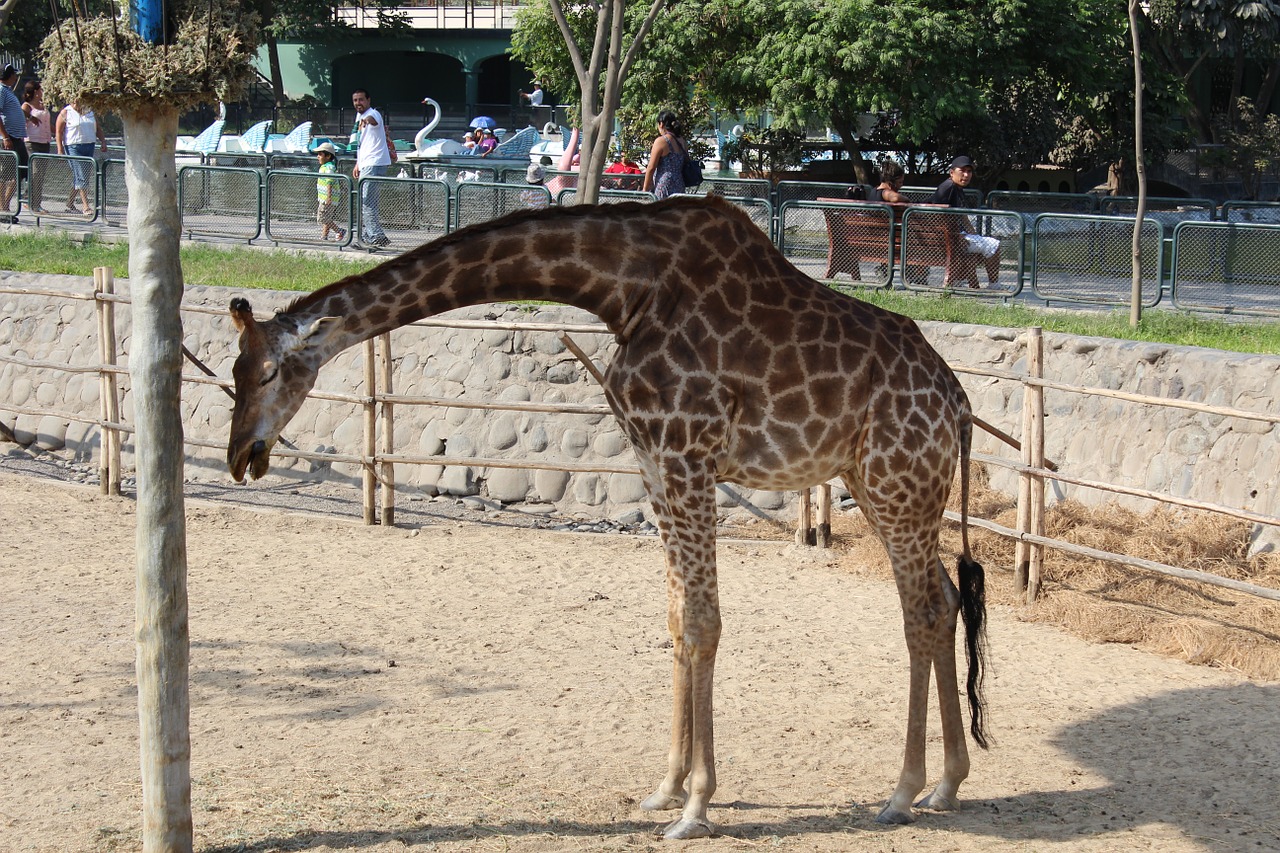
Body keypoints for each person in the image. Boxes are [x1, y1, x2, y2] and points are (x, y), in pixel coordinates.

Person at [928, 155, 1000, 287]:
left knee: (977, 246)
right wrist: (957, 235)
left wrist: (975, 236)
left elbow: (963, 217)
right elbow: (937, 215)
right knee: (994, 245)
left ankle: (962, 282)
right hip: (948, 239)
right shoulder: (948, 188)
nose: (966, 175)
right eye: (962, 171)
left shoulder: (955, 187)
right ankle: (994, 286)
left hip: (949, 237)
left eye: (969, 171)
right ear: (951, 172)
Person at [351, 87, 396, 248]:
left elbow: (373, 120)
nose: (358, 103)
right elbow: (363, 144)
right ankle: (368, 236)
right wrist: (358, 163)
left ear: (368, 100)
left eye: (361, 99)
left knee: (367, 203)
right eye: (355, 100)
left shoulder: (373, 113)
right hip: (367, 163)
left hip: (374, 163)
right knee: (367, 202)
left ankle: (376, 236)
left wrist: (367, 120)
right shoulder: (359, 116)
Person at [55, 98, 106, 217]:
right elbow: (58, 131)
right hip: (73, 146)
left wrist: (103, 141)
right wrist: (60, 149)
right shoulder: (65, 112)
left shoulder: (89, 111)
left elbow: (97, 128)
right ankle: (86, 205)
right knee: (81, 176)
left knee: (81, 176)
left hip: (89, 145)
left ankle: (70, 203)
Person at [0, 64, 27, 223]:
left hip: (16, 138)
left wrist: (29, 118)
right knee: (6, 175)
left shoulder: (7, 91)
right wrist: (5, 137)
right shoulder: (1, 90)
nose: (16, 78)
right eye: (14, 75)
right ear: (9, 75)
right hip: (9, 139)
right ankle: (3, 209)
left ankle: (5, 207)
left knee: (20, 172)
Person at [641, 110, 687, 200]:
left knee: (662, 211)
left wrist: (645, 189)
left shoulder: (661, 141)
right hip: (680, 183)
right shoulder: (682, 141)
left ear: (661, 124)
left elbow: (651, 167)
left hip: (664, 184)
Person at [22, 81, 50, 212]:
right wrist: (30, 117)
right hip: (32, 142)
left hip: (45, 141)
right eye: (40, 90)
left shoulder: (43, 105)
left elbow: (47, 122)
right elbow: (21, 114)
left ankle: (35, 201)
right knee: (35, 172)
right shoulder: (27, 106)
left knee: (41, 174)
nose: (42, 92)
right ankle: (31, 201)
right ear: (35, 91)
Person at [314, 142, 345, 242]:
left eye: (320, 154)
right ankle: (324, 236)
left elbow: (329, 182)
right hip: (324, 197)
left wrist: (329, 197)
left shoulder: (328, 167)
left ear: (328, 156)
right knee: (327, 216)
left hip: (328, 197)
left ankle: (339, 230)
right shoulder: (326, 166)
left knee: (322, 217)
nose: (318, 157)